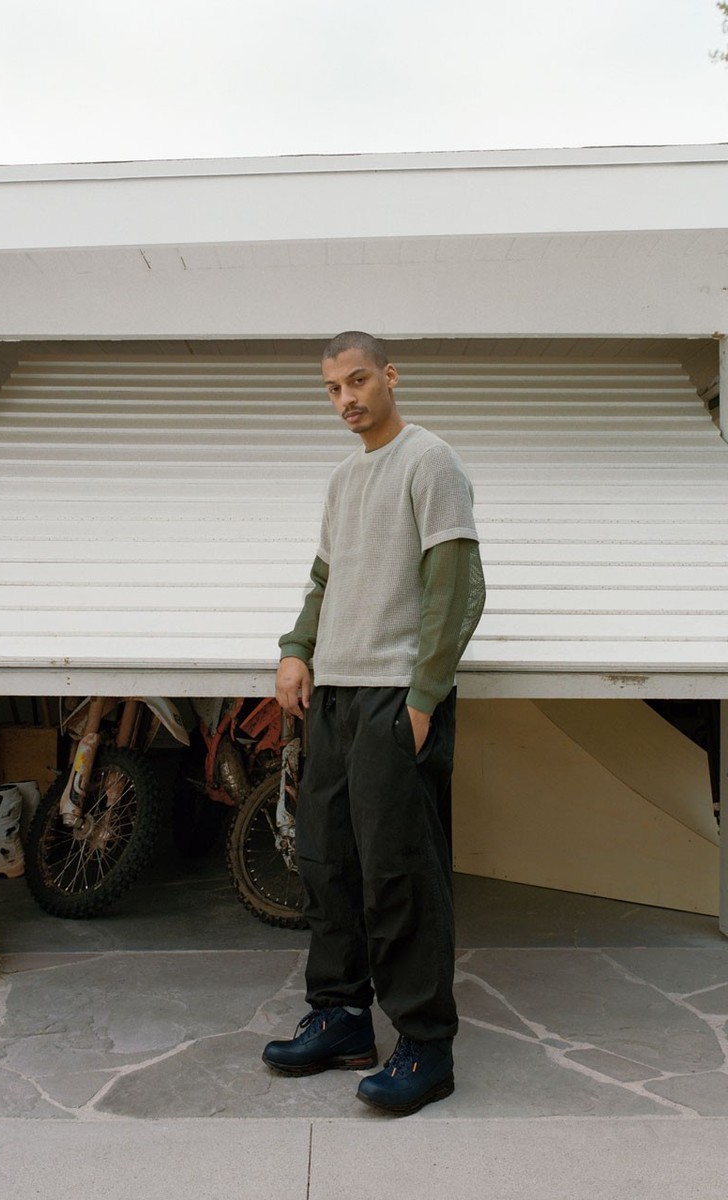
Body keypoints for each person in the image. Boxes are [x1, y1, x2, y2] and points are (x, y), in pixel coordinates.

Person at [262, 331, 485, 1116]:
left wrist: (424, 698)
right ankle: (342, 1019)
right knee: (327, 863)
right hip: (336, 695)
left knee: (400, 875)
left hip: (396, 696)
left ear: (390, 376)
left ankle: (426, 1045)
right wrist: (296, 649)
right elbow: (325, 579)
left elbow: (456, 588)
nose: (346, 399)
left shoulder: (430, 461)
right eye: (333, 388)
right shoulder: (343, 479)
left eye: (358, 381)